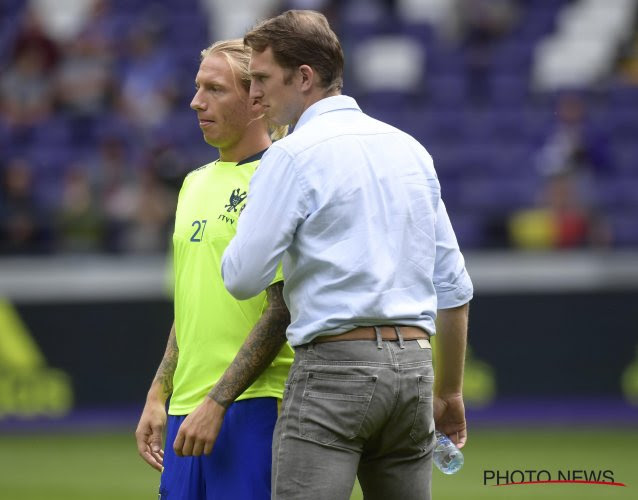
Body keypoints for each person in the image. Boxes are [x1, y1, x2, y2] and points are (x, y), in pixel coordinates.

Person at [178, 10, 473, 499]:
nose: (255, 93)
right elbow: (455, 288)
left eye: (264, 79)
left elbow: (241, 277)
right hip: (414, 370)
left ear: (305, 78)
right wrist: (451, 392)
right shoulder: (410, 149)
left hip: (334, 368)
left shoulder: (289, 155)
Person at [133, 39, 292, 499]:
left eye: (215, 89)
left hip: (254, 407)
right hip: (187, 408)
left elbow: (280, 311)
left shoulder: (279, 178)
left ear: (256, 99)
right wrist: (158, 394)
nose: (195, 101)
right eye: (198, 87)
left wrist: (218, 401)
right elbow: (189, 307)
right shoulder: (192, 184)